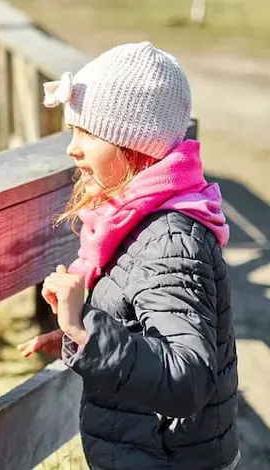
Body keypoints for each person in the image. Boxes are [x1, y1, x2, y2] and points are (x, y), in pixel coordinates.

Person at [17, 41, 240, 469]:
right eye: (72, 132)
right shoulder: (133, 220)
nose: (72, 148)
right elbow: (139, 325)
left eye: (88, 133)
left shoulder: (168, 240)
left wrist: (86, 329)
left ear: (133, 144)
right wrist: (79, 338)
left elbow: (188, 379)